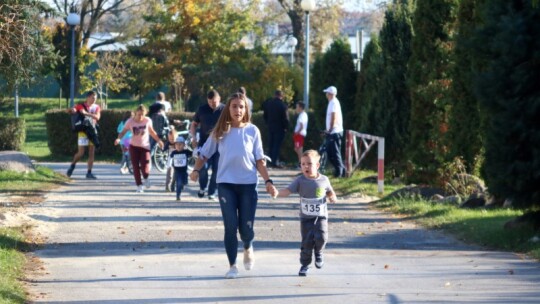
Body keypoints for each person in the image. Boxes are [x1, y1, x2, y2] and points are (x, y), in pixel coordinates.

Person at [189, 93, 275, 279]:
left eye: (241, 107)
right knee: (230, 226)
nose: (238, 110)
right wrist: (196, 170)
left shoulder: (253, 131)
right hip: (226, 184)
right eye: (234, 106)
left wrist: (268, 182)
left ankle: (248, 245)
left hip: (248, 185)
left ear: (246, 110)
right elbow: (204, 154)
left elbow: (260, 160)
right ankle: (232, 266)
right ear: (228, 108)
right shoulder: (220, 131)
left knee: (245, 229)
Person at [274, 150, 337, 276]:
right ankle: (305, 264)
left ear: (317, 165)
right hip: (306, 218)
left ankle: (319, 252)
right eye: (303, 164)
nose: (306, 166)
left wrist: (332, 196)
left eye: (309, 163)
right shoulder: (300, 180)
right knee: (307, 242)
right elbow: (288, 191)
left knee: (322, 237)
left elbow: (330, 191)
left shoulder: (324, 180)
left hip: (321, 216)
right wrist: (277, 193)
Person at [115, 104, 164, 193]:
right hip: (134, 147)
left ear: (145, 114)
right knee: (135, 167)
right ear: (135, 113)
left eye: (142, 115)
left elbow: (152, 132)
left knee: (145, 166)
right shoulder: (130, 121)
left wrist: (159, 141)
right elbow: (123, 132)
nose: (140, 117)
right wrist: (118, 139)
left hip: (145, 147)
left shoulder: (147, 120)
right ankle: (139, 185)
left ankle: (146, 177)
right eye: (139, 114)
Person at [190, 89, 224, 200]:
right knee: (202, 167)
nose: (212, 105)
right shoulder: (202, 109)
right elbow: (194, 124)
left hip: (221, 146)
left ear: (219, 99)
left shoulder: (225, 110)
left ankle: (212, 192)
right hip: (204, 144)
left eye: (214, 102)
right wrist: (193, 137)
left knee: (217, 169)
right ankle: (202, 187)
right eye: (209, 102)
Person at [66, 91, 101, 179]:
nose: (94, 99)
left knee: (91, 153)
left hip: (92, 131)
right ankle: (72, 165)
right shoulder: (81, 105)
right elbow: (74, 111)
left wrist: (87, 114)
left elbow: (97, 117)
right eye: (93, 97)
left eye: (95, 98)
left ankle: (89, 172)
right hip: (83, 132)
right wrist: (72, 110)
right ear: (88, 97)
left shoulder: (96, 107)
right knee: (81, 153)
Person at [262, 89, 289, 168]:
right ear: (281, 96)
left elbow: (265, 115)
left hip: (271, 127)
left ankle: (269, 161)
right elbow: (285, 118)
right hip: (280, 128)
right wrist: (286, 127)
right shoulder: (283, 105)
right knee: (277, 145)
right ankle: (274, 161)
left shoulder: (269, 104)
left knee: (270, 144)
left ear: (275, 95)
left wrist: (268, 123)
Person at [323, 86, 346, 177]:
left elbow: (334, 116)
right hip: (333, 131)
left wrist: (330, 129)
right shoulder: (332, 102)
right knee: (330, 152)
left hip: (335, 132)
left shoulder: (334, 103)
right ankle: (339, 170)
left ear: (330, 94)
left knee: (335, 153)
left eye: (327, 93)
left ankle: (340, 172)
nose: (326, 95)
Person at [167, 136, 192, 201]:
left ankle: (177, 183)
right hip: (176, 170)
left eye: (180, 144)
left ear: (184, 145)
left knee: (184, 182)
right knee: (179, 183)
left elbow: (193, 154)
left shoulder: (186, 152)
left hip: (184, 171)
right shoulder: (174, 152)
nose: (178, 146)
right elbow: (170, 158)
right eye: (177, 144)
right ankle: (178, 195)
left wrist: (197, 152)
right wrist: (169, 165)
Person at [293, 102, 308, 167]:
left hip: (299, 135)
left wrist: (297, 132)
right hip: (298, 135)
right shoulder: (302, 114)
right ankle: (301, 162)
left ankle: (302, 163)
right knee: (297, 149)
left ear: (300, 107)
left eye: (297, 107)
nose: (296, 108)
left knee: (299, 149)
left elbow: (302, 126)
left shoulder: (303, 115)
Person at [165, 125, 178, 192]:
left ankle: (173, 186)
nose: (171, 141)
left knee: (176, 174)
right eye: (170, 139)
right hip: (170, 160)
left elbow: (183, 149)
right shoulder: (168, 143)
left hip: (177, 161)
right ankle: (167, 186)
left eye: (173, 139)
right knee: (169, 173)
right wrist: (164, 149)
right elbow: (164, 148)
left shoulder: (178, 143)